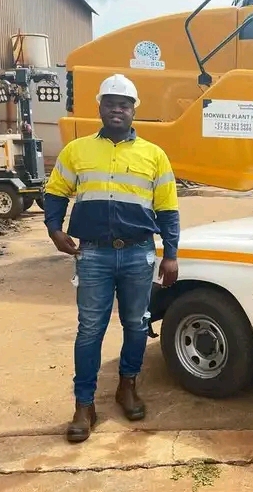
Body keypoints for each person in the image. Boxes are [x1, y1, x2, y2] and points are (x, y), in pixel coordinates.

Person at [44, 74, 180, 443]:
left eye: (124, 104)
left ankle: (127, 387)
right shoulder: (77, 151)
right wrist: (54, 228)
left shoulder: (154, 155)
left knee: (137, 325)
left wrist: (171, 254)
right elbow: (55, 192)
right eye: (110, 103)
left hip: (138, 254)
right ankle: (84, 405)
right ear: (100, 107)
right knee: (90, 330)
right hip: (93, 255)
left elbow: (168, 209)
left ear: (134, 110)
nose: (117, 109)